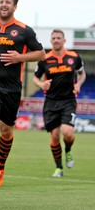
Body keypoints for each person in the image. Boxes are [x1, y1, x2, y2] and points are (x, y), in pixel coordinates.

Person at [0, 0, 45, 188]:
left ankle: (1, 166)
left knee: (6, 131)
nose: (4, 5)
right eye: (1, 1)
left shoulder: (25, 30)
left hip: (12, 88)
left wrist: (20, 57)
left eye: (8, 2)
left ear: (15, 6)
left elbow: (41, 54)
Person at [33, 29, 86, 177]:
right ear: (51, 41)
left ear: (64, 40)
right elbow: (35, 78)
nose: (56, 40)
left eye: (58, 38)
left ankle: (68, 151)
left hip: (68, 101)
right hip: (50, 102)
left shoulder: (74, 57)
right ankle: (58, 167)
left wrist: (78, 85)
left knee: (68, 133)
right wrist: (42, 85)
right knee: (55, 136)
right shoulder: (44, 59)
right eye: (53, 38)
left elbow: (82, 74)